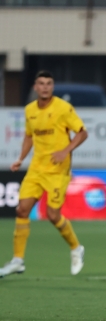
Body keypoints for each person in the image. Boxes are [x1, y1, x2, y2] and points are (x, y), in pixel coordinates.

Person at [0, 71, 89, 278]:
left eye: (49, 83)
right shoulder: (29, 110)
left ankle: (76, 248)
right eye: (41, 83)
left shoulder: (63, 108)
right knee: (22, 210)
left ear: (52, 86)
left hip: (58, 170)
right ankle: (17, 260)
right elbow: (29, 136)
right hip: (36, 169)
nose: (45, 87)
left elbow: (82, 132)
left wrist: (65, 151)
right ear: (35, 87)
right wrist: (20, 158)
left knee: (52, 215)